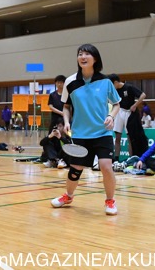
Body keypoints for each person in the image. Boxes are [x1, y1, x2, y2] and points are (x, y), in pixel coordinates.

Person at [50, 44, 121, 215]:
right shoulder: (70, 82)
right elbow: (66, 106)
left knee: (105, 166)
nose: (83, 56)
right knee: (75, 167)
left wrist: (111, 116)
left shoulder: (105, 81)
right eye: (80, 54)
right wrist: (66, 120)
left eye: (87, 54)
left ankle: (110, 201)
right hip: (80, 133)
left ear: (95, 59)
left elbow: (117, 104)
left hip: (102, 132)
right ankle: (68, 195)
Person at [108, 73, 146, 162]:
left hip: (128, 113)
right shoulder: (114, 91)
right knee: (117, 137)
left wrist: (135, 105)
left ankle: (131, 158)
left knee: (130, 137)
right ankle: (116, 158)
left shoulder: (129, 87)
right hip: (119, 111)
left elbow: (143, 95)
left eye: (112, 84)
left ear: (116, 82)